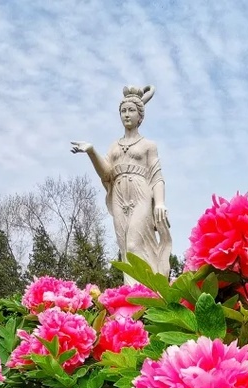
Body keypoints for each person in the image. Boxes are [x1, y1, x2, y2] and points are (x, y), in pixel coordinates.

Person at [71, 85, 172, 283]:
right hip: (118, 197)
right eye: (123, 111)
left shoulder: (148, 145)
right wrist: (91, 152)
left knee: (135, 244)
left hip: (141, 194)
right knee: (125, 247)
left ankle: (145, 292)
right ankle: (131, 295)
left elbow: (157, 176)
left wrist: (159, 202)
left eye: (131, 110)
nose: (126, 114)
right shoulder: (114, 146)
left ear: (140, 116)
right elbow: (107, 173)